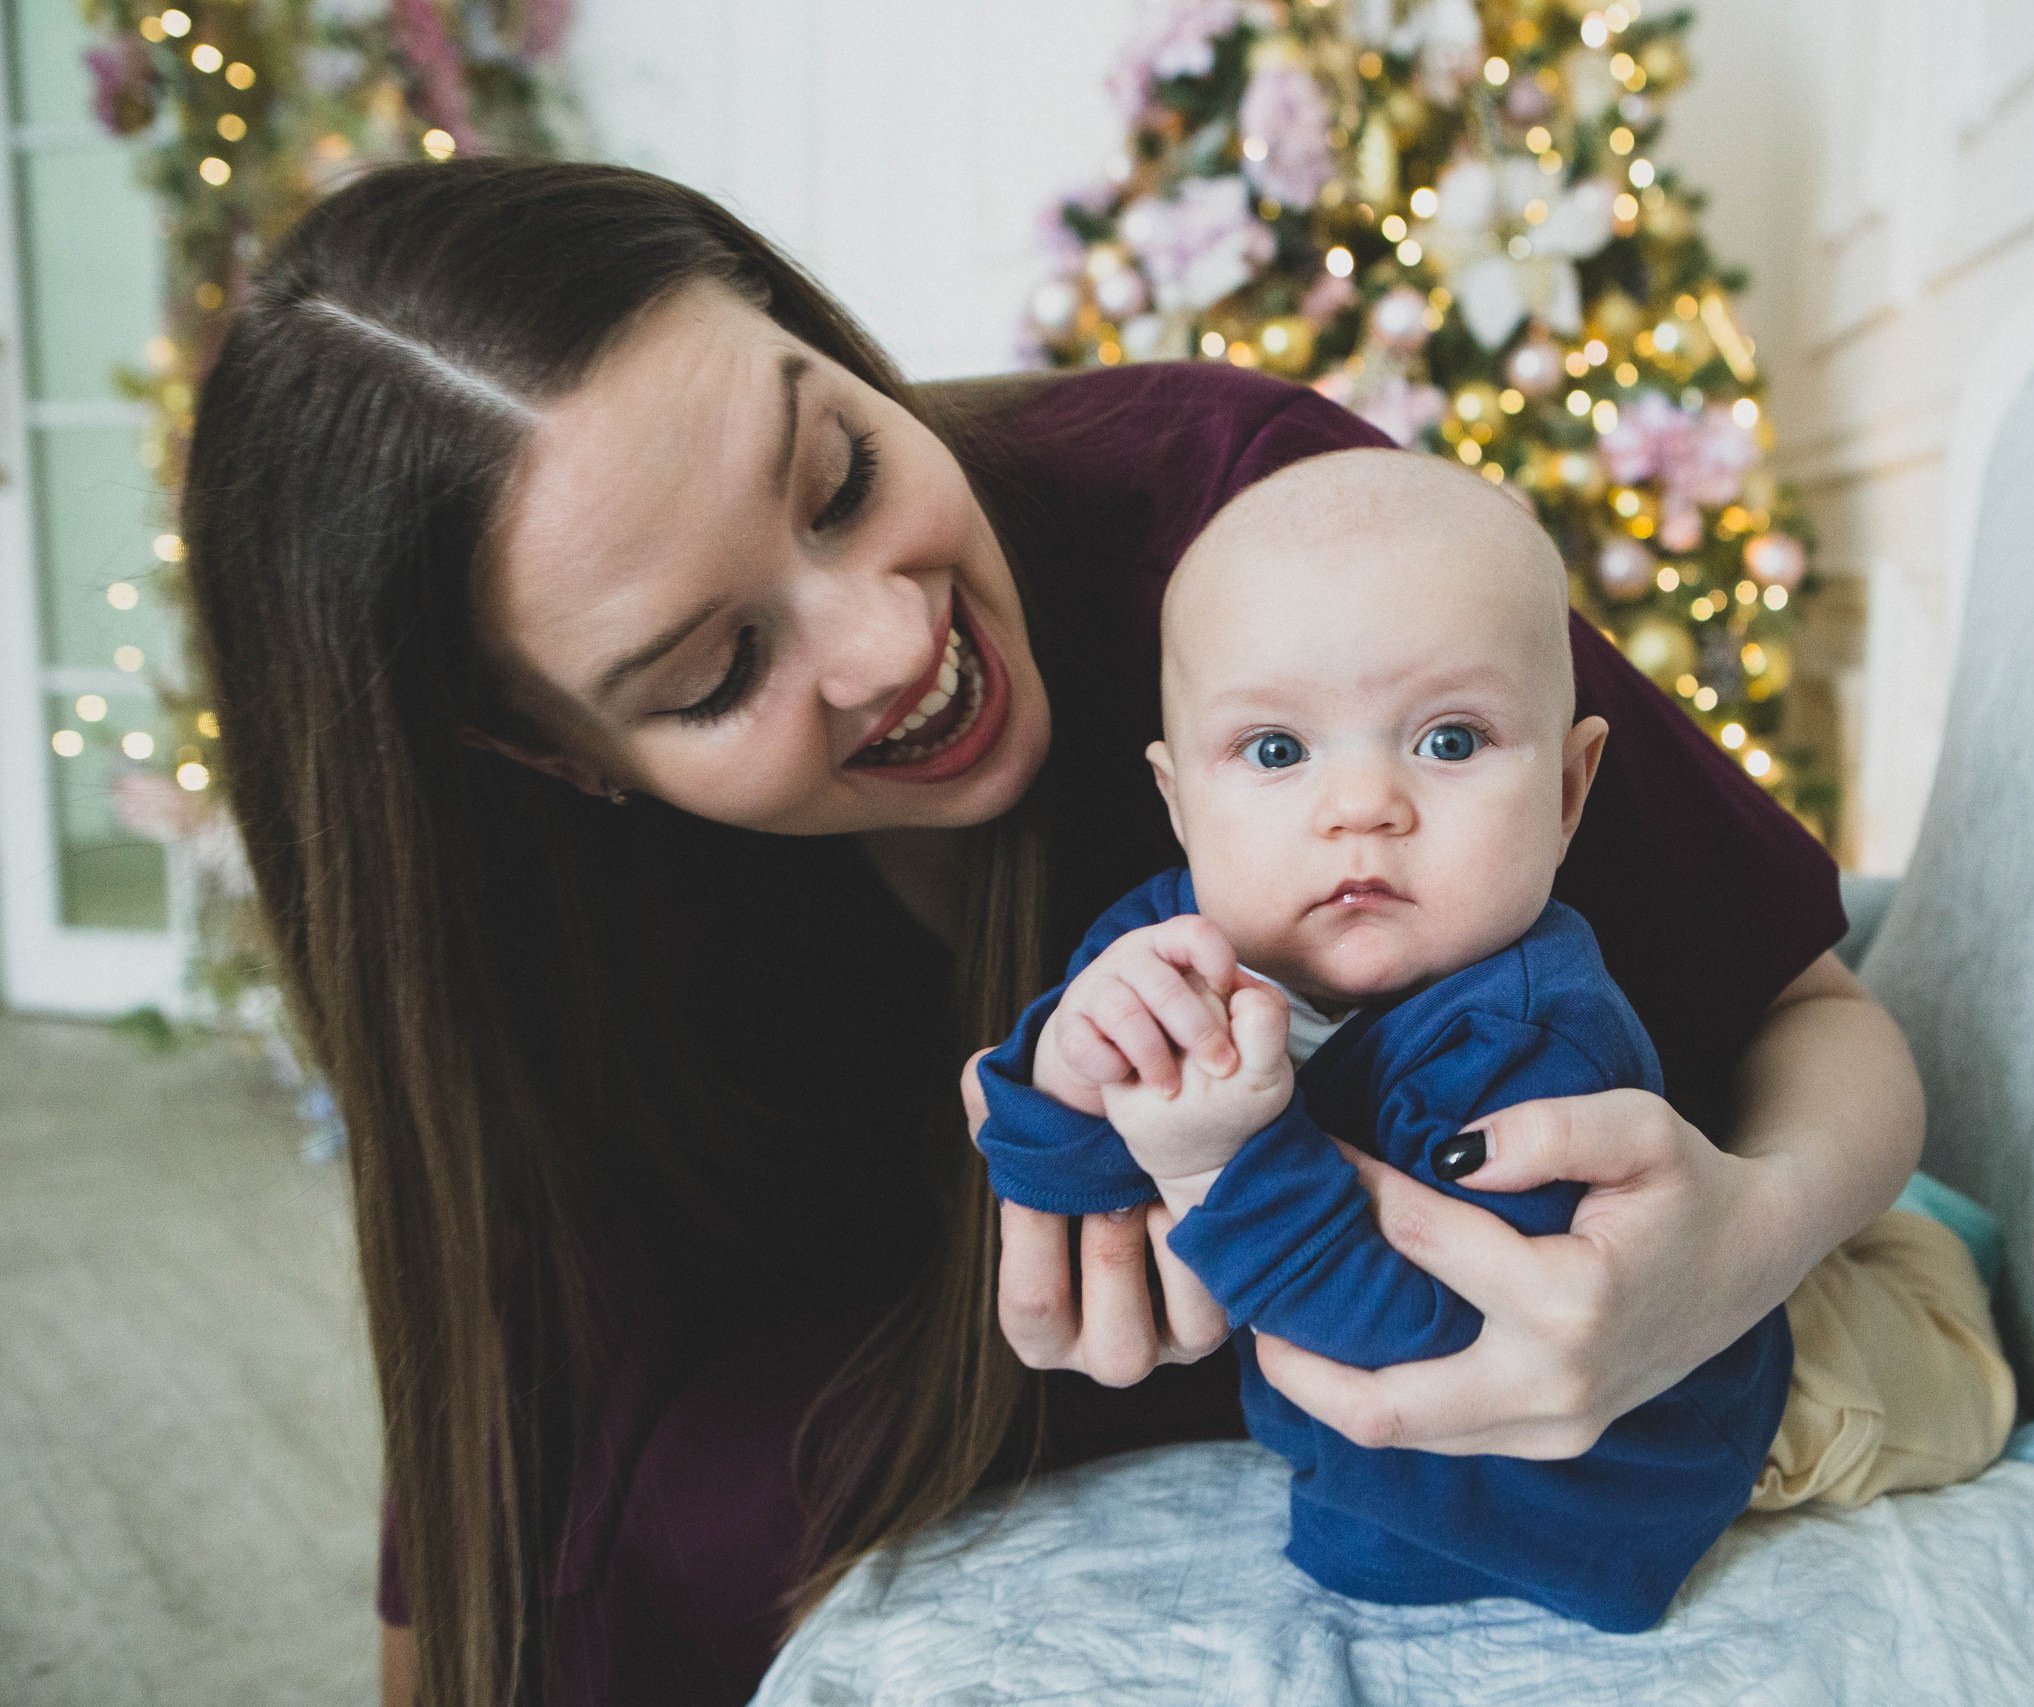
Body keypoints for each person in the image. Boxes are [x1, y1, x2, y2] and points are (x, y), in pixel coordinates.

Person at [183, 159, 1928, 1707]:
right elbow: (492, 1394)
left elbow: (1820, 1010)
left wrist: (1749, 1239)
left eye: (842, 471)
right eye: (716, 674)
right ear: (548, 756)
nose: (883, 644)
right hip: (1007, 1283)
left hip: (1380, 1304)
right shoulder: (531, 904)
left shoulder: (1265, 550)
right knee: (645, 1524)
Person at [972, 449, 2014, 1631]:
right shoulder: (1166, 944)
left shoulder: (1527, 1038)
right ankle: (1917, 1231)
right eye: (1275, 751)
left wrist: (1214, 1163)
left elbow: (1453, 1339)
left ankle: (1932, 1255)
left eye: (1450, 741)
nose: (1360, 805)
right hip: (1410, 1473)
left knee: (1948, 1389)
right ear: (1177, 803)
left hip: (1720, 1400)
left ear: (1568, 795)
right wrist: (1063, 1073)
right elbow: (1062, 1181)